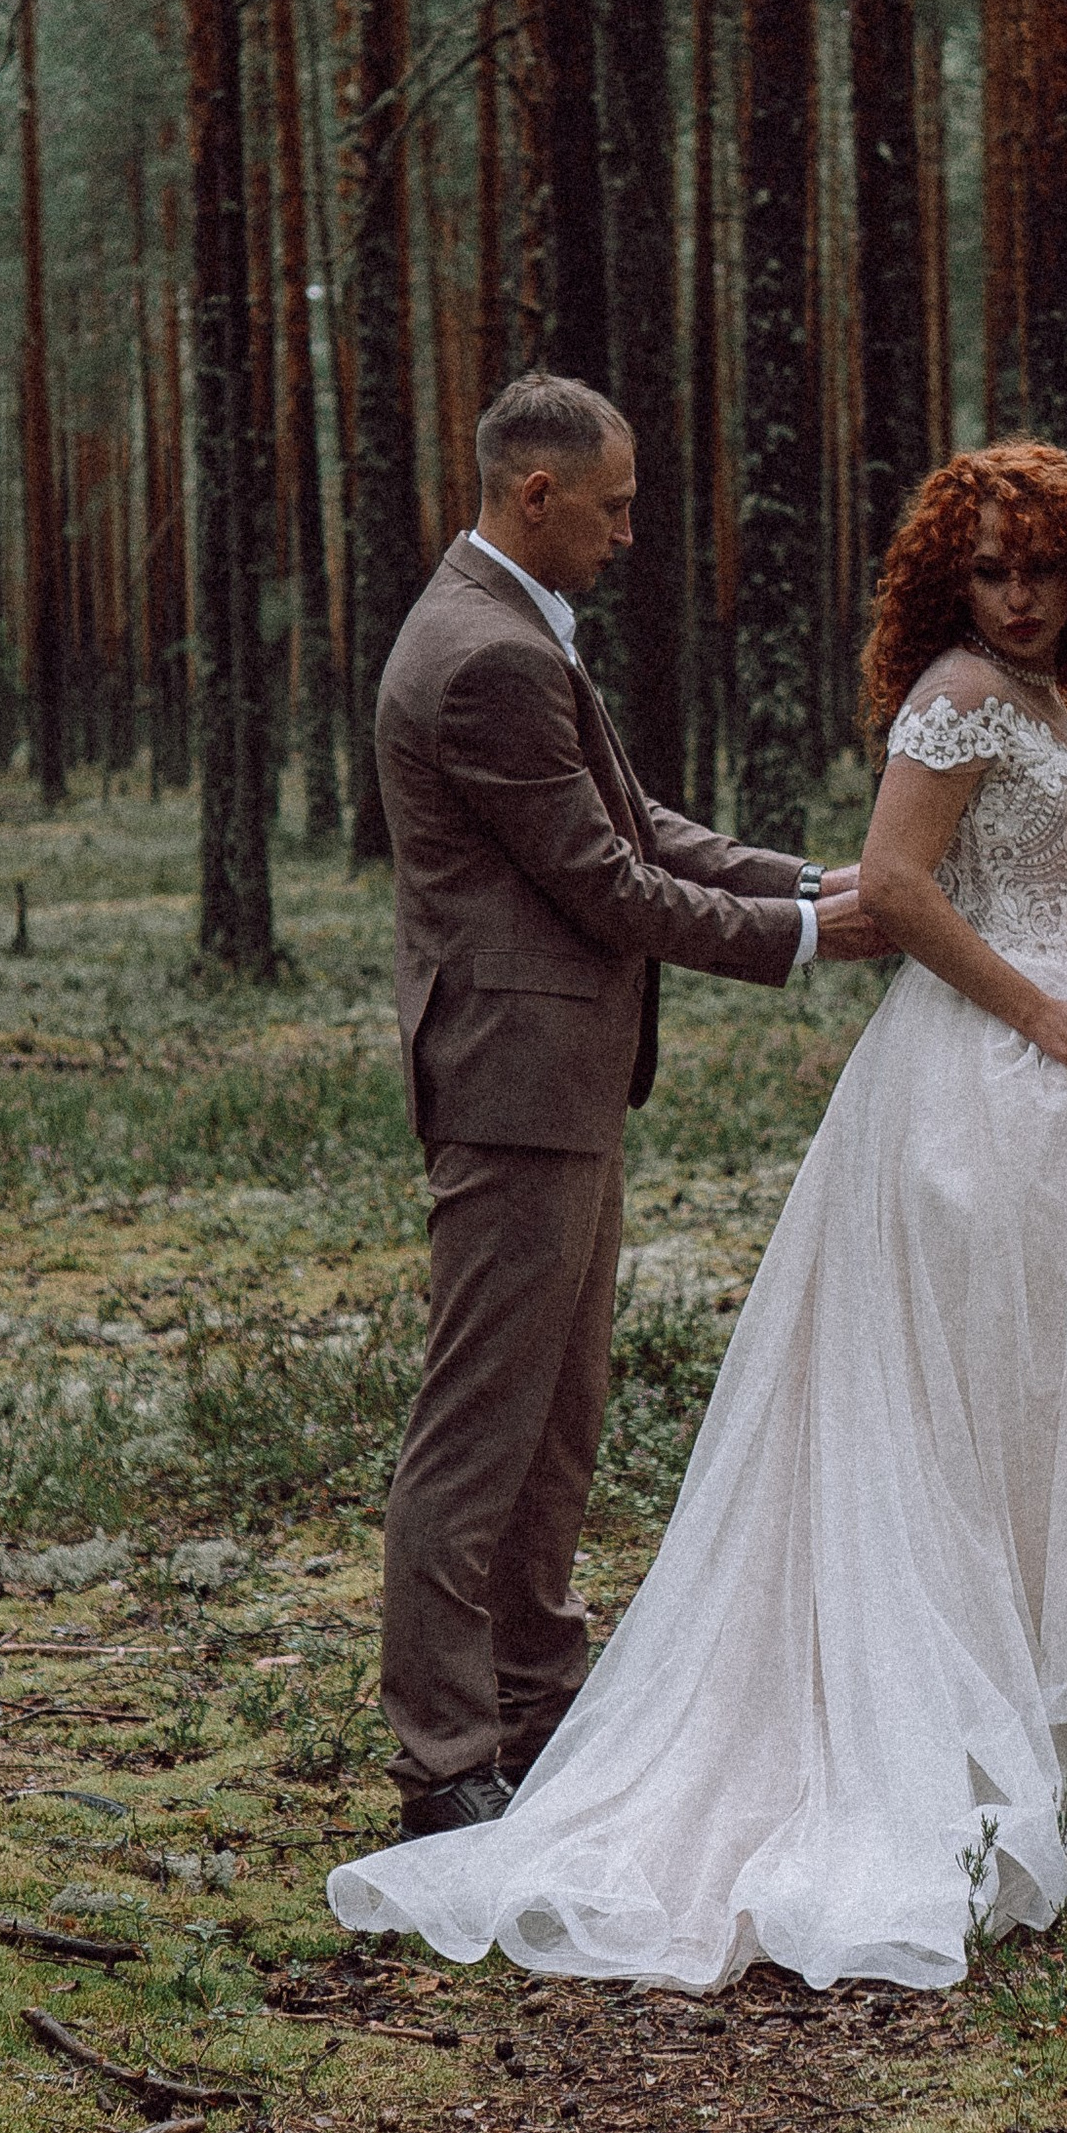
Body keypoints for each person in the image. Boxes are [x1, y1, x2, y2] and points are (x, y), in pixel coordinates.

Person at [332, 438, 1067, 1978]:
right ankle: (458, 1754)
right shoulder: (897, 688)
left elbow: (671, 834)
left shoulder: (1043, 696)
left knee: (1053, 1403)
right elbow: (792, 877)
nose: (1018, 597)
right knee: (525, 1421)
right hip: (921, 1074)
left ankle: (1043, 1714)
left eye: (1043, 570)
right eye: (990, 571)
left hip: (1062, 1069)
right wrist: (902, 951)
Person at [366, 369, 884, 1840]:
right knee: (482, 1427)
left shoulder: (506, 624)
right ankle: (444, 1760)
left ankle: (537, 1706)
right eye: (615, 506)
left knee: (557, 1421)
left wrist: (815, 878)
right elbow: (608, 883)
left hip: (552, 1084)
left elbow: (637, 822)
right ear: (537, 495)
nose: (631, 531)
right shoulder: (488, 656)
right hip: (514, 1085)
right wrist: (810, 935)